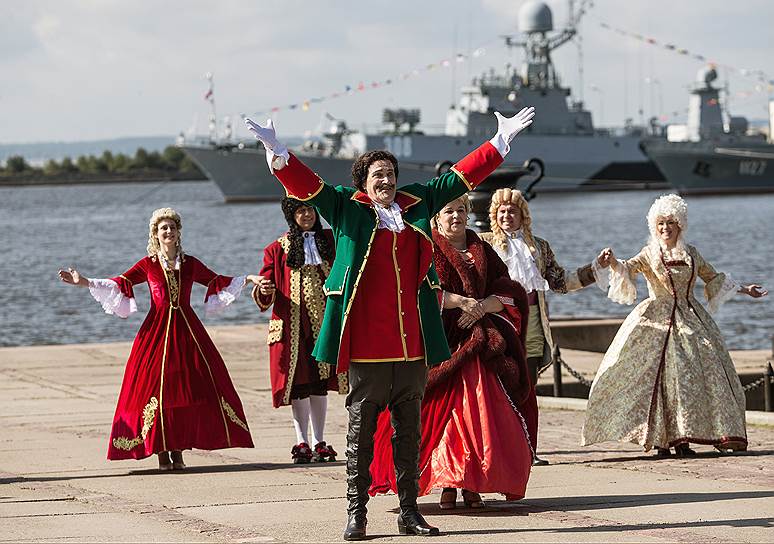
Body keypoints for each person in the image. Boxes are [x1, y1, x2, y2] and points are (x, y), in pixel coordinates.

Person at [244, 106, 535, 540]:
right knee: (361, 436)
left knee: (409, 434)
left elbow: (458, 178)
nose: (386, 180)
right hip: (366, 346)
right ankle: (356, 513)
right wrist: (279, 152)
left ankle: (409, 512)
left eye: (390, 173)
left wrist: (499, 143)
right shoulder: (348, 208)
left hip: (412, 345)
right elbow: (310, 188)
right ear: (364, 181)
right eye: (378, 174)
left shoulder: (414, 203)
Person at [58, 207, 258, 470]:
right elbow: (120, 282)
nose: (168, 232)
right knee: (156, 390)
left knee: (188, 390)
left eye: (172, 227)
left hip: (187, 331)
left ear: (177, 233)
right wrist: (84, 282)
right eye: (163, 228)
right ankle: (161, 451)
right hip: (157, 331)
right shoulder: (148, 265)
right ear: (155, 233)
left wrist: (249, 278)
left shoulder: (190, 264)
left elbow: (216, 280)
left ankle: (178, 450)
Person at [368, 194, 533, 509]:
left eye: (461, 210)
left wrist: (483, 306)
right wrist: (461, 302)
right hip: (440, 343)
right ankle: (448, 481)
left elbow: (511, 290)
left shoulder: (483, 250)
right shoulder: (424, 248)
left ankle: (473, 483)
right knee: (447, 416)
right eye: (448, 211)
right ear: (437, 218)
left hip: (480, 345)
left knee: (481, 415)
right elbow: (414, 291)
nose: (456, 216)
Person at [582, 194, 767, 456]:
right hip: (656, 319)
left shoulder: (691, 253)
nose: (665, 228)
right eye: (660, 224)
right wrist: (611, 262)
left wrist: (746, 290)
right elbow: (627, 268)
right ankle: (661, 440)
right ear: (653, 227)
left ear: (680, 225)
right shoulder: (649, 253)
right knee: (656, 379)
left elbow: (713, 277)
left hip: (691, 318)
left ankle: (687, 437)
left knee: (704, 371)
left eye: (670, 223)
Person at [480, 188, 611, 465]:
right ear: (494, 215)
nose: (507, 215)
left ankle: (529, 448)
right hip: (499, 322)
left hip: (533, 322)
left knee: (527, 386)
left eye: (512, 210)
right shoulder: (484, 244)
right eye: (502, 211)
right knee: (499, 387)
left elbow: (561, 281)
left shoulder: (539, 247)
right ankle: (499, 449)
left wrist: (594, 267)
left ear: (523, 216)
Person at [253, 197, 347, 464]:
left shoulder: (329, 240)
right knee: (298, 385)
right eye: (300, 211)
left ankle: (319, 439)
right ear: (291, 216)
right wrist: (263, 289)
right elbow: (266, 284)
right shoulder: (276, 249)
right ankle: (301, 440)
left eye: (310, 209)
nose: (306, 215)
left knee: (319, 383)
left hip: (324, 324)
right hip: (293, 327)